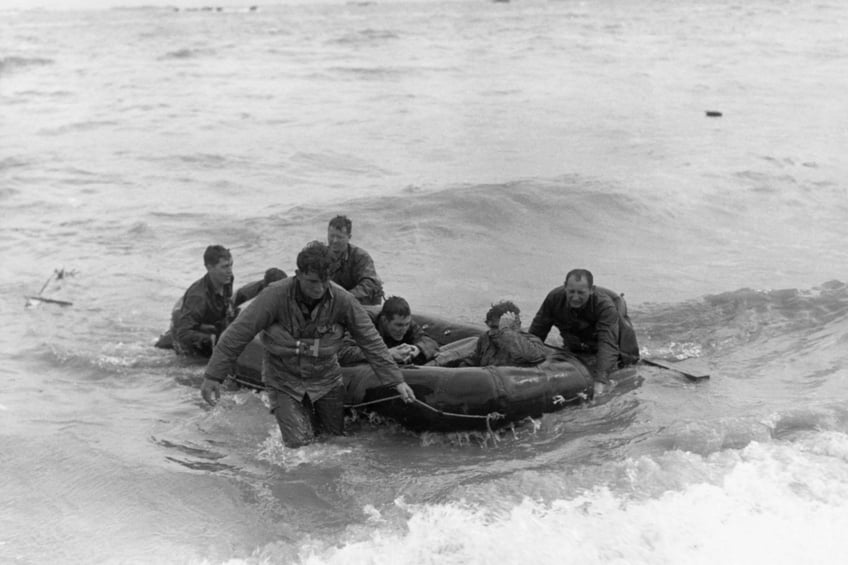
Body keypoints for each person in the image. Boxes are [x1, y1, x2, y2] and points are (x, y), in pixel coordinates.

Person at [200, 241, 415, 448]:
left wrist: (397, 380)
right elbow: (238, 333)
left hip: (326, 380)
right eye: (313, 282)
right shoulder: (275, 295)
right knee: (299, 448)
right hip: (284, 379)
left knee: (334, 443)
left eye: (325, 281)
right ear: (298, 274)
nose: (320, 288)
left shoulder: (342, 299)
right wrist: (213, 375)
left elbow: (370, 340)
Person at [528, 269, 640, 394]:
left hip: (616, 334)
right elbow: (536, 333)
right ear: (565, 287)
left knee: (626, 362)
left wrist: (600, 381)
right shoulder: (554, 299)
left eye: (581, 292)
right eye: (571, 292)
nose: (575, 297)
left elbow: (607, 343)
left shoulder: (605, 306)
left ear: (591, 290)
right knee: (574, 350)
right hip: (578, 336)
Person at [168, 245, 235, 357]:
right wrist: (210, 339)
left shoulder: (227, 279)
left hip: (204, 321)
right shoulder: (199, 297)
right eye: (224, 267)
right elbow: (183, 334)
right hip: (186, 335)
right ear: (209, 268)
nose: (230, 271)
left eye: (231, 265)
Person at [338, 296, 439, 366]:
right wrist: (386, 353)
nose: (403, 330)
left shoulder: (406, 323)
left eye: (406, 324)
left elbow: (429, 341)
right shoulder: (364, 323)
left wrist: (416, 349)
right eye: (398, 325)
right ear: (384, 320)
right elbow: (343, 352)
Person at [463, 300, 548, 367]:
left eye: (497, 328)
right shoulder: (486, 338)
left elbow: (534, 356)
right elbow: (474, 360)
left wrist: (505, 330)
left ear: (516, 324)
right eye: (491, 327)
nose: (492, 332)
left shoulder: (531, 341)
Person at [326, 215, 384, 305]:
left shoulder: (361, 257)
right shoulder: (321, 254)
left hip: (360, 302)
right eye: (331, 236)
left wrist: (344, 298)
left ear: (349, 237)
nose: (334, 241)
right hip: (332, 300)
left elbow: (369, 284)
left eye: (339, 237)